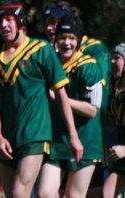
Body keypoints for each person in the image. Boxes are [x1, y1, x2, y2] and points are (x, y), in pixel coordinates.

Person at [0, 1, 82, 197]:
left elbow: (61, 95)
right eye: (0, 21)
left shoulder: (41, 50)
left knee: (21, 194)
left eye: (9, 20)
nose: (4, 25)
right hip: (7, 139)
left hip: (35, 135)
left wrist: (73, 134)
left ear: (20, 21)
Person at [37, 16, 103, 198]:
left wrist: (58, 97)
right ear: (55, 40)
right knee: (45, 193)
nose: (67, 42)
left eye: (72, 38)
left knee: (74, 196)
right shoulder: (49, 63)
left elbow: (92, 110)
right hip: (56, 142)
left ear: (79, 41)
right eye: (62, 37)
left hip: (85, 142)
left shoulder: (89, 67)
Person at [103, 43, 125, 198]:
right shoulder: (115, 85)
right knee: (108, 192)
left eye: (117, 58)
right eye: (111, 57)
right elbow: (110, 121)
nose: (112, 61)